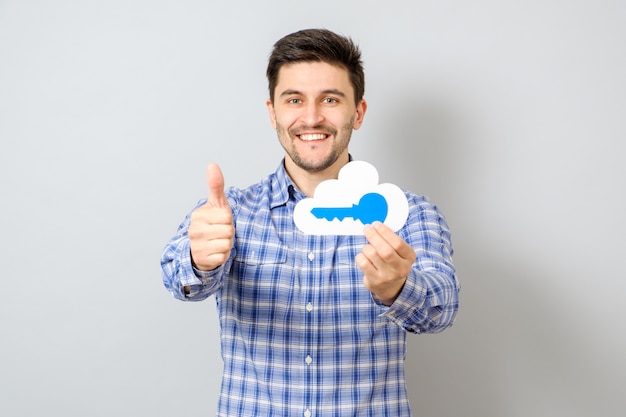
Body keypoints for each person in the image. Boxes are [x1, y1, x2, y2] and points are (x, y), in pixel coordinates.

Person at [161, 28, 460, 417]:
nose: (312, 117)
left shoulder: (407, 214)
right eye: (294, 100)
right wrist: (199, 261)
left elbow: (442, 305)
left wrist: (399, 287)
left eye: (330, 99)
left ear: (358, 112)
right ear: (273, 112)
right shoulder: (229, 212)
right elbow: (177, 278)